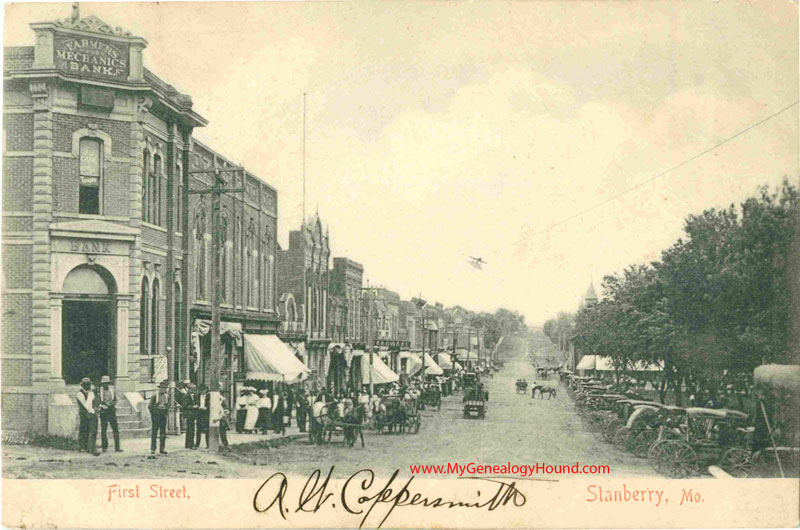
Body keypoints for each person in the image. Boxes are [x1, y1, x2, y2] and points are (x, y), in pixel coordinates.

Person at [76, 377, 100, 456]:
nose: (89, 386)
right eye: (86, 385)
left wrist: (94, 411)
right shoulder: (80, 394)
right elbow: (86, 405)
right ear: (83, 385)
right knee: (84, 430)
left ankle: (92, 448)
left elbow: (95, 403)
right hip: (84, 414)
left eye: (89, 384)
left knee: (93, 431)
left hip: (92, 413)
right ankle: (82, 446)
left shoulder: (91, 393)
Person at [98, 375, 121, 453]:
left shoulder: (112, 390)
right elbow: (97, 402)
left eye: (107, 383)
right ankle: (104, 447)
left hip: (111, 411)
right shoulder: (99, 392)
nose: (106, 385)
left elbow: (115, 400)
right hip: (103, 412)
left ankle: (117, 447)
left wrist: (112, 404)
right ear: (102, 384)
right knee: (103, 430)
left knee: (115, 429)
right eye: (104, 383)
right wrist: (102, 405)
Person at [149, 382, 169, 454]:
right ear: (159, 389)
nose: (164, 390)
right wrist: (154, 413)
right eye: (162, 388)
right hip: (156, 416)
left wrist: (166, 411)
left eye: (165, 388)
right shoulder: (155, 396)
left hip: (163, 416)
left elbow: (168, 405)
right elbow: (150, 406)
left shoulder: (166, 396)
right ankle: (153, 449)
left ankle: (162, 449)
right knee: (154, 432)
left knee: (163, 432)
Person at [177, 382, 198, 449]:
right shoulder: (186, 396)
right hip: (189, 414)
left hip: (193, 414)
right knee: (190, 430)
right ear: (189, 389)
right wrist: (193, 406)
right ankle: (190, 444)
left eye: (194, 389)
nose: (193, 390)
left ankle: (189, 444)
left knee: (191, 429)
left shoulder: (194, 396)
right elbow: (185, 406)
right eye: (192, 389)